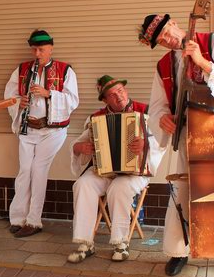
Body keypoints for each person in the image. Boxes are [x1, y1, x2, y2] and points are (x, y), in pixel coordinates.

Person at [139, 14, 214, 276]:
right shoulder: (164, 65)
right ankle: (179, 250)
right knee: (184, 188)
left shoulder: (212, 41)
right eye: (161, 40)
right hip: (190, 131)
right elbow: (157, 106)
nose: (167, 40)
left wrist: (202, 62)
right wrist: (162, 118)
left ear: (174, 23)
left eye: (166, 32)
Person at [68, 75, 163, 262]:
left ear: (125, 90)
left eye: (120, 91)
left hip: (136, 171)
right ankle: (85, 243)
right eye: (112, 95)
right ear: (105, 100)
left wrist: (146, 144)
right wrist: (79, 148)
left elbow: (163, 140)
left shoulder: (145, 112)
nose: (119, 97)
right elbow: (77, 144)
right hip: (105, 171)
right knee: (83, 184)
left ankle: (121, 242)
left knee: (120, 187)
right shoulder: (96, 118)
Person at [4, 29, 79, 237]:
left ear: (51, 48)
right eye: (34, 49)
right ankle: (18, 217)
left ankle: (34, 221)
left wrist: (48, 94)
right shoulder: (22, 70)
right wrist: (20, 102)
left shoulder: (65, 70)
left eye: (41, 50)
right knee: (24, 170)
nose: (37, 54)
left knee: (38, 170)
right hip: (28, 127)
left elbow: (72, 101)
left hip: (52, 131)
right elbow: (9, 96)